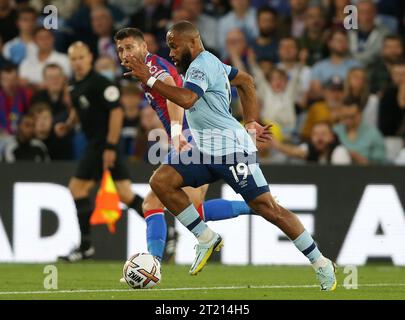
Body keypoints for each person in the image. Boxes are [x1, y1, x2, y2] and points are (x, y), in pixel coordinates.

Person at [123, 21, 337, 290]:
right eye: (169, 48)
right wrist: (250, 122)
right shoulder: (209, 64)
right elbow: (245, 81)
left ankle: (321, 263)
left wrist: (149, 78)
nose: (172, 53)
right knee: (161, 182)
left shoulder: (201, 65)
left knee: (269, 209)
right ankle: (206, 238)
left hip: (232, 151)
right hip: (205, 149)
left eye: (174, 47)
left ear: (191, 43)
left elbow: (188, 99)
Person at [114, 27, 258, 266]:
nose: (125, 54)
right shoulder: (147, 68)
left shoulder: (151, 66)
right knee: (192, 209)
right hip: (201, 134)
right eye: (120, 50)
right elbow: (242, 79)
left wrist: (177, 131)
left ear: (143, 47)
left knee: (157, 203)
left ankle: (154, 265)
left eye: (129, 47)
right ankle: (256, 205)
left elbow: (173, 89)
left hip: (192, 135)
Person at [55, 42, 146, 262]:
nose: (77, 63)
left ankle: (85, 246)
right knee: (125, 194)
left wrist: (110, 147)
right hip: (98, 144)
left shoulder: (100, 83)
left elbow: (116, 113)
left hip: (101, 144)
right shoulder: (73, 84)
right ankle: (168, 231)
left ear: (90, 58)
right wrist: (68, 125)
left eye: (81, 58)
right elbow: (79, 109)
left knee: (77, 188)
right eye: (73, 58)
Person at [334, 97, 386, 165]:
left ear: (360, 114)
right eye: (345, 117)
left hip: (367, 173)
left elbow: (381, 163)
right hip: (337, 173)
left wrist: (361, 160)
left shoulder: (374, 134)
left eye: (352, 116)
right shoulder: (336, 131)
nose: (348, 120)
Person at [273, 121, 351, 165]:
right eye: (315, 134)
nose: (319, 138)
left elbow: (341, 176)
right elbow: (295, 152)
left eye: (323, 134)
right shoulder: (310, 147)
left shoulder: (339, 151)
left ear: (332, 137)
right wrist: (275, 144)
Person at [0, 64, 32, 135]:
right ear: (1, 81)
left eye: (13, 80)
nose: (10, 83)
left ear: (18, 79)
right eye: (6, 80)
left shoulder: (26, 95)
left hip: (21, 135)